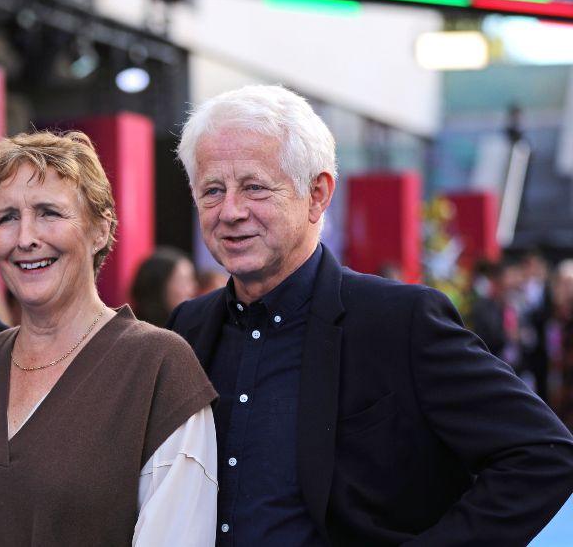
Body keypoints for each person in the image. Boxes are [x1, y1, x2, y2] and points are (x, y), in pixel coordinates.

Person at [168, 85, 573, 546]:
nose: (231, 212)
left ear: (317, 195)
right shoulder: (187, 328)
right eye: (212, 191)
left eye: (255, 187)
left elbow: (544, 456)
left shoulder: (401, 322)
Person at [0, 131, 218, 546]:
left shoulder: (158, 367)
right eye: (7, 217)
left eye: (48, 212)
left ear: (100, 230)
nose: (26, 237)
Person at [130, 246, 198, 327]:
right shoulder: (132, 332)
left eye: (191, 279)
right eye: (183, 280)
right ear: (158, 286)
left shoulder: (191, 328)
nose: (192, 289)